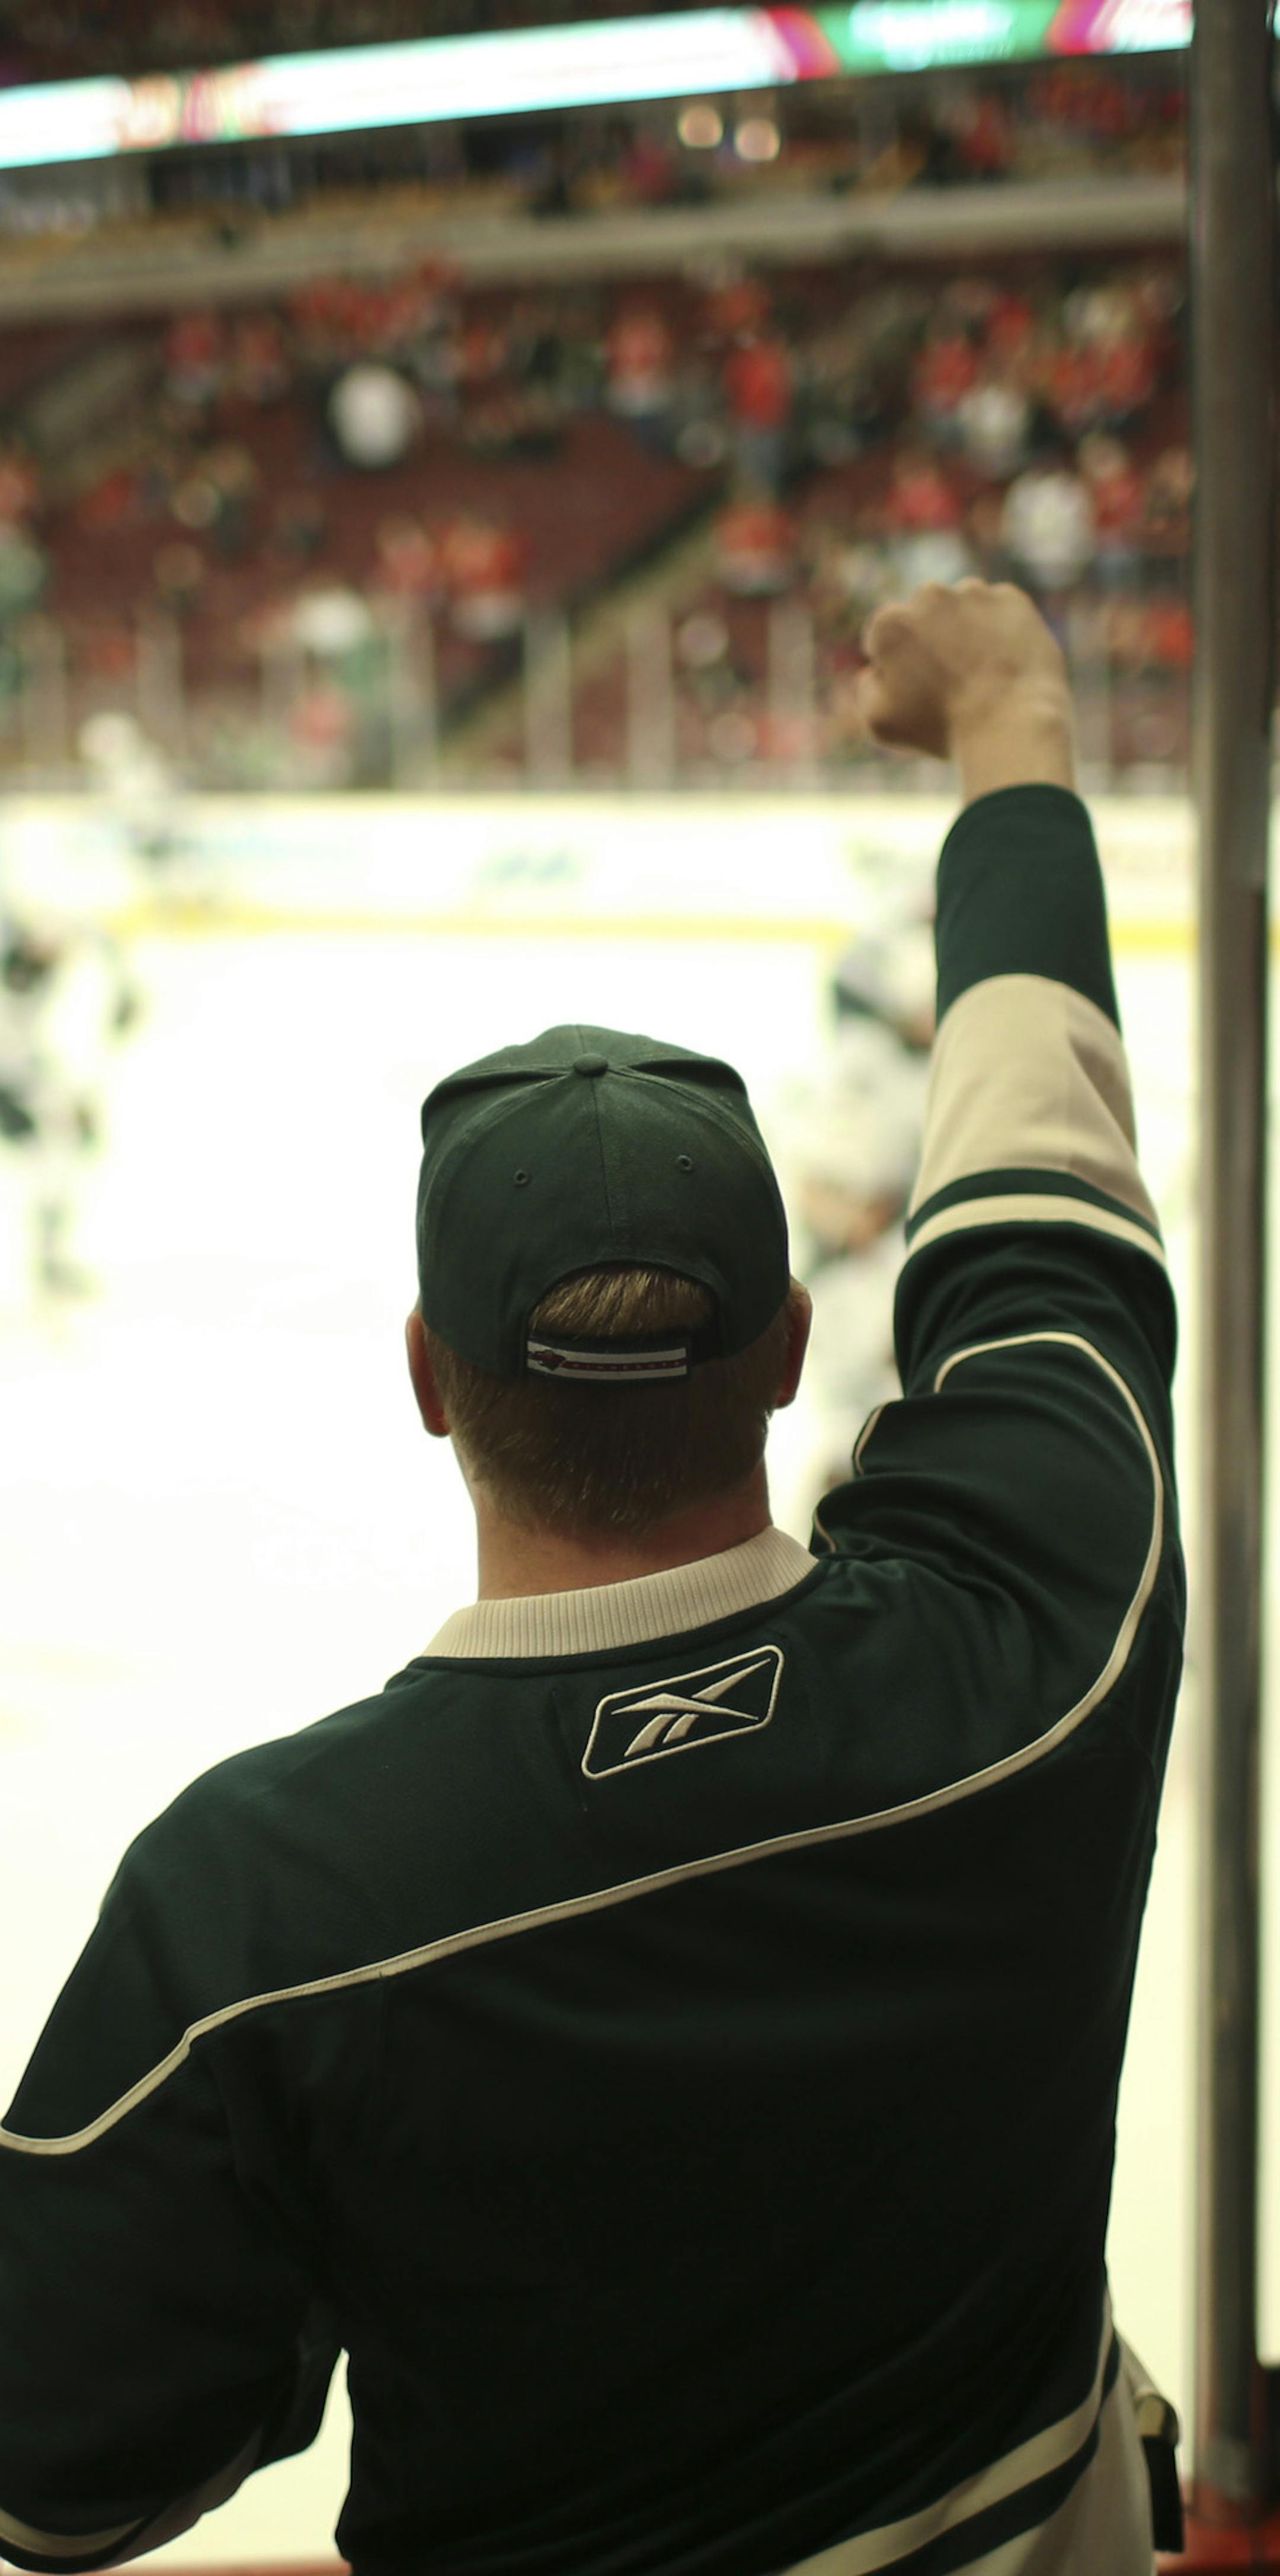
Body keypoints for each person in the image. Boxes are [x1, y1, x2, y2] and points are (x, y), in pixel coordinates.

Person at [0, 580, 1185, 2576]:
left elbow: (57, 2479)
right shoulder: (1036, 1653)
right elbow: (1049, 1224)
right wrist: (1012, 730)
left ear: (426, 1376)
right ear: (798, 1349)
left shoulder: (256, 1911)